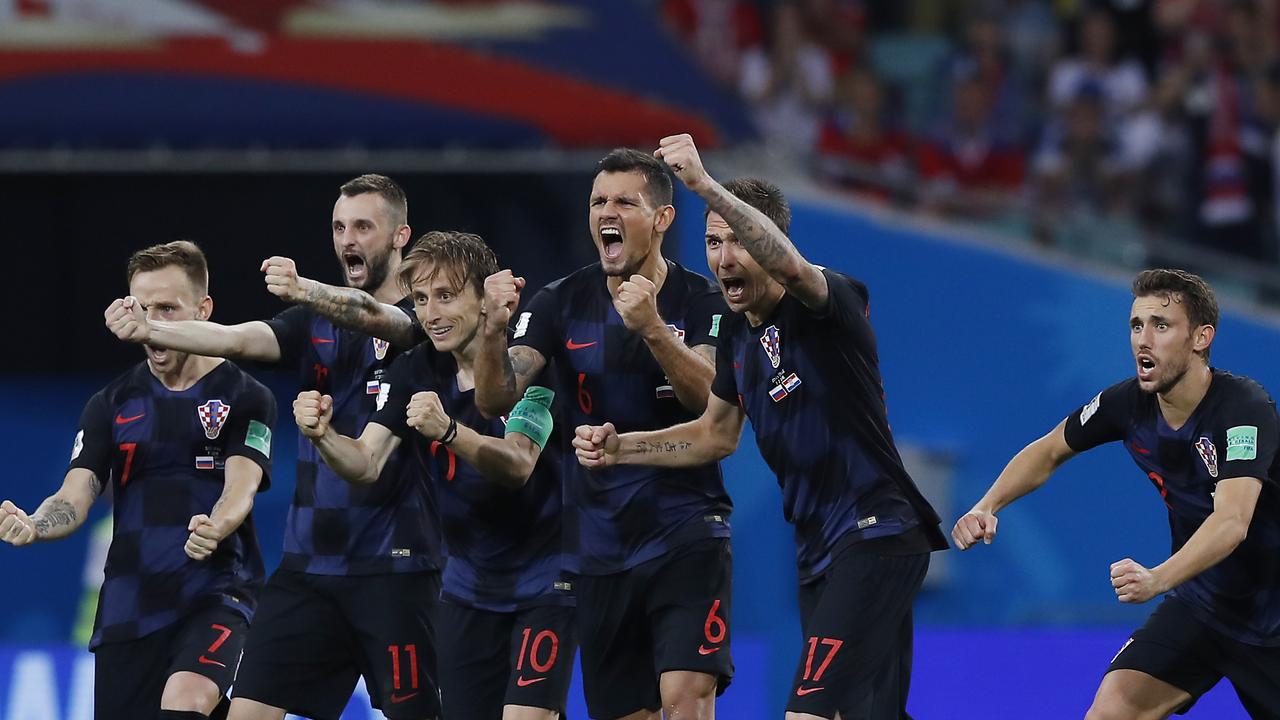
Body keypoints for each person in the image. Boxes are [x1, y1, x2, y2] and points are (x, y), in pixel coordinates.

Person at [574, 134, 948, 720]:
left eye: (737, 241)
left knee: (806, 714)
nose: (724, 259)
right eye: (712, 243)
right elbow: (714, 435)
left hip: (874, 533)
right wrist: (622, 447)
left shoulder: (827, 302)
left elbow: (791, 266)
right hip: (819, 552)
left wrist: (703, 185)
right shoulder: (739, 342)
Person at [103, 174, 442, 720]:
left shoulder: (427, 322)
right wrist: (154, 330)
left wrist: (305, 287)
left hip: (396, 569)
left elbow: (384, 319)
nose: (347, 239)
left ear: (402, 235)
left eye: (363, 226)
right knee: (249, 713)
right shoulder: (312, 327)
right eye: (338, 227)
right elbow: (234, 337)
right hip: (308, 569)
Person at [952, 269, 1280, 719]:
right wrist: (987, 504)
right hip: (1201, 607)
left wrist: (1158, 578)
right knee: (1110, 712)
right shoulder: (1126, 404)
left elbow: (1231, 522)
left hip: (1274, 620)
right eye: (1136, 325)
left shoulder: (1244, 408)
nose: (1143, 340)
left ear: (1202, 337)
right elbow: (1047, 451)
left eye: (1161, 326)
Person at [475, 148, 733, 720]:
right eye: (597, 201)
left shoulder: (702, 300)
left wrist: (654, 331)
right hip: (598, 546)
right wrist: (493, 332)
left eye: (624, 201)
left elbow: (712, 398)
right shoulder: (559, 301)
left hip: (686, 530)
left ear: (662, 219)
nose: (605, 212)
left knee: (686, 698)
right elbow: (496, 398)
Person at [295, 231, 576, 720]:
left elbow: (518, 465)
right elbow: (365, 462)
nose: (431, 314)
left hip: (545, 578)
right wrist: (323, 436)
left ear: (485, 295)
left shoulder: (527, 365)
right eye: (421, 299)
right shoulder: (416, 369)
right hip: (465, 584)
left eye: (446, 296)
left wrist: (449, 431)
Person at [2, 240, 275, 720]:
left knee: (186, 703)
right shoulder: (111, 403)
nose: (150, 322)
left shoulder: (246, 396)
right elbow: (75, 494)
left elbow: (243, 482)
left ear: (203, 309)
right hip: (129, 608)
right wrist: (36, 524)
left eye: (167, 308)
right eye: (141, 307)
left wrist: (218, 522)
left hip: (215, 593)